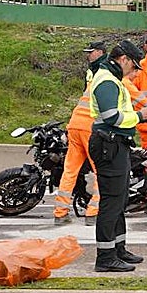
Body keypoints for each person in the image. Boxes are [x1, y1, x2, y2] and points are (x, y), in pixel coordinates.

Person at [88, 40, 147, 272]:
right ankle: (105, 257)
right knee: (111, 201)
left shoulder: (112, 78)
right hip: (109, 145)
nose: (134, 71)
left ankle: (118, 248)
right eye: (134, 66)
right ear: (123, 59)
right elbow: (112, 117)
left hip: (116, 144)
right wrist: (140, 116)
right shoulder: (107, 81)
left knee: (120, 199)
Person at [53, 41, 107, 226]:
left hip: (74, 124)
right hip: (90, 127)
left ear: (100, 52)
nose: (88, 55)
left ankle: (60, 212)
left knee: (70, 170)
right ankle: (93, 213)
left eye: (91, 52)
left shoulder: (94, 73)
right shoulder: (109, 75)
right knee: (101, 171)